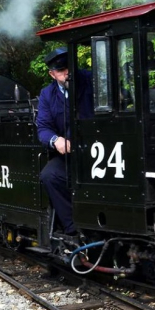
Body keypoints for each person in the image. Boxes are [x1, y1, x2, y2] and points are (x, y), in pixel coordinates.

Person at [36, 46, 93, 236]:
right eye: (61, 71)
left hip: (99, 147)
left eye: (69, 68)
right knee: (50, 175)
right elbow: (43, 128)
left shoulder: (91, 79)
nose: (66, 73)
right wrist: (55, 140)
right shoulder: (47, 94)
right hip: (70, 152)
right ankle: (72, 227)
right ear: (52, 74)